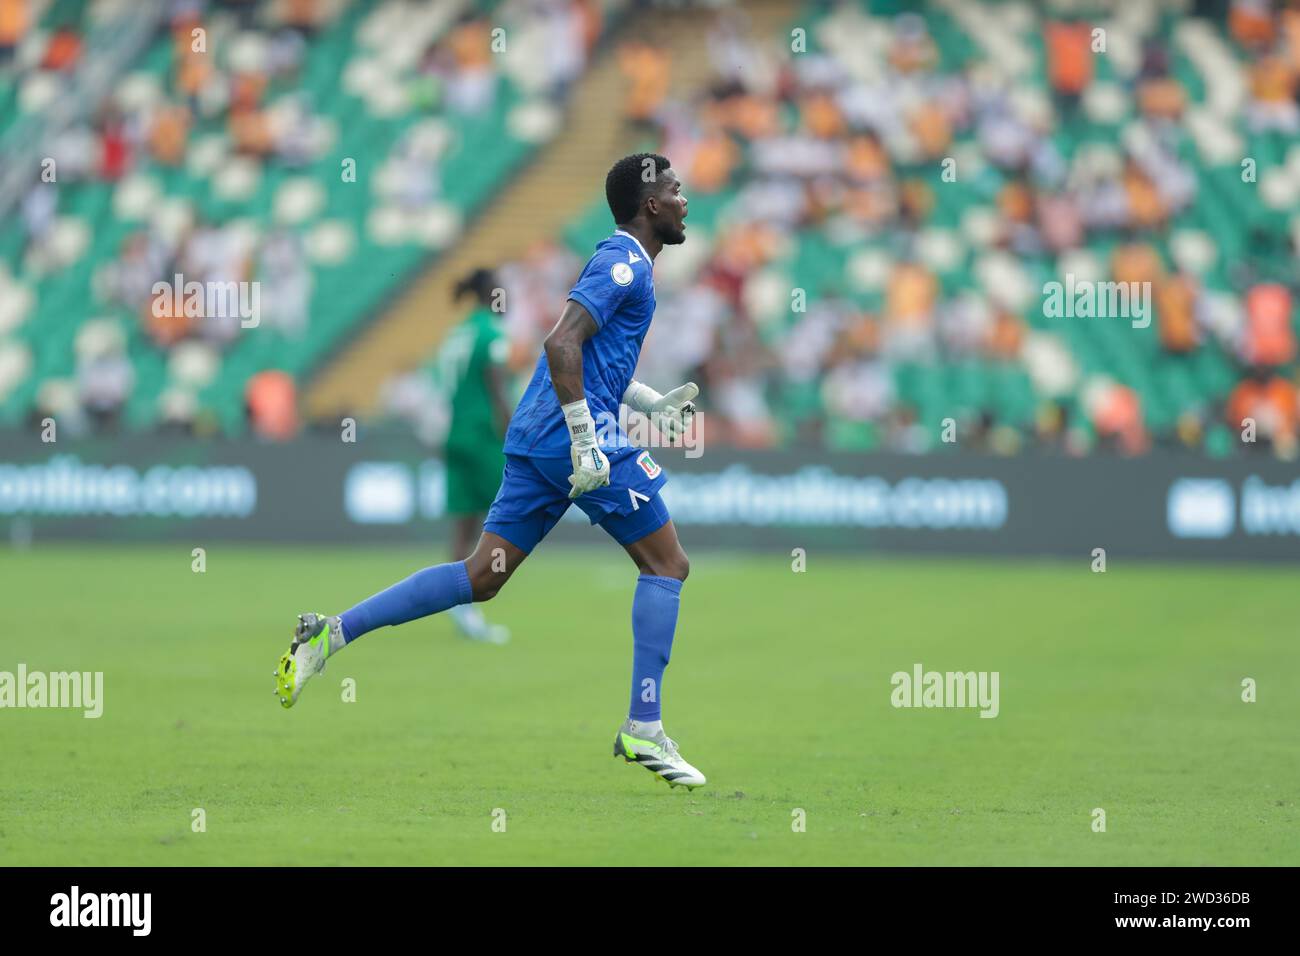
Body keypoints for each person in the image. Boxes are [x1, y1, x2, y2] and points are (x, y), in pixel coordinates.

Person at [273, 153, 707, 789]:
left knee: (482, 575)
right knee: (667, 565)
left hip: (537, 436)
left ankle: (330, 635)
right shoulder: (625, 264)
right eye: (675, 190)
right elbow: (560, 344)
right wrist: (586, 442)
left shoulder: (623, 261)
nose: (684, 201)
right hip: (570, 435)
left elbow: (589, 354)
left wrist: (646, 404)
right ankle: (644, 725)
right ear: (650, 204)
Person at [439, 267, 513, 644]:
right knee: (497, 524)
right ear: (491, 294)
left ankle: (459, 606)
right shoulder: (490, 332)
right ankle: (469, 600)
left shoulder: (458, 331)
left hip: (456, 432)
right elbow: (497, 388)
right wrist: (513, 433)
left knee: (464, 526)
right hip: (484, 435)